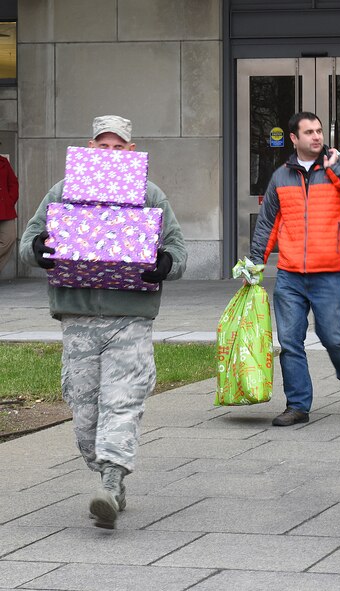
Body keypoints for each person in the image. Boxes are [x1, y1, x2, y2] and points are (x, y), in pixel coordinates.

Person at [18, 115, 187, 529]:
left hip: (129, 318)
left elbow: (178, 250)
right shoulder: (62, 193)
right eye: (102, 145)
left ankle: (110, 485)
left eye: (118, 147)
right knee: (85, 416)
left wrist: (164, 263)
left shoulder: (150, 195)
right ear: (89, 148)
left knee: (122, 402)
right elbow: (28, 243)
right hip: (77, 320)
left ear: (130, 152)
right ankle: (109, 475)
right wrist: (40, 249)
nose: (109, 153)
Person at [249, 111, 340, 427]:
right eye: (308, 132)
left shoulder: (338, 165)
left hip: (328, 272)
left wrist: (336, 172)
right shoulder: (280, 176)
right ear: (294, 138)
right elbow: (267, 223)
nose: (316, 137)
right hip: (290, 273)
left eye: (319, 131)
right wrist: (255, 264)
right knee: (290, 341)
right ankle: (298, 406)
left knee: (333, 336)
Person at [0, 153, 19, 274]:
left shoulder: (3, 162)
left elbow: (13, 183)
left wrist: (10, 200)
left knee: (9, 238)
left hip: (4, 208)